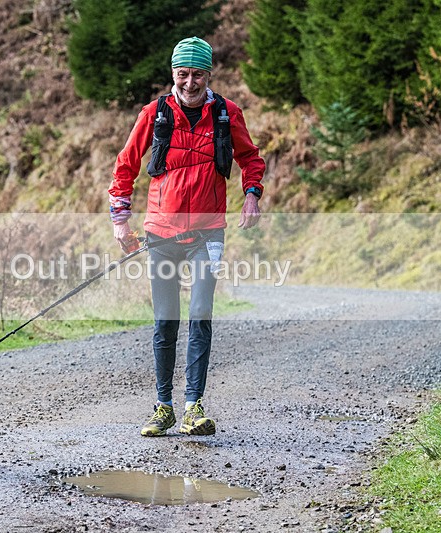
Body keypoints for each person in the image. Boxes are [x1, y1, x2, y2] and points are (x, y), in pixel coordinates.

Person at [108, 36, 265, 437]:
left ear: (209, 74)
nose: (190, 83)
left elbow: (251, 158)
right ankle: (163, 407)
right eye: (182, 74)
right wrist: (120, 219)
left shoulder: (227, 114)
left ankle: (193, 406)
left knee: (200, 314)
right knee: (165, 321)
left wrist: (251, 195)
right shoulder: (155, 113)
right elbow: (125, 164)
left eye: (197, 74)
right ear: (173, 74)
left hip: (207, 234)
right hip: (160, 232)